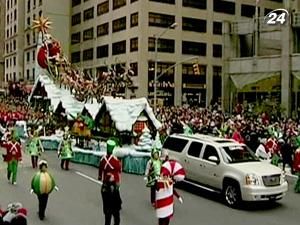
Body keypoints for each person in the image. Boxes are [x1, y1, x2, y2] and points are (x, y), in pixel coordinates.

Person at [98, 140, 122, 225]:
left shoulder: (103, 159)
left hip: (105, 186)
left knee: (107, 210)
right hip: (114, 186)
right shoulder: (116, 160)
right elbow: (119, 170)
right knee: (116, 210)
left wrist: (100, 177)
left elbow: (100, 170)